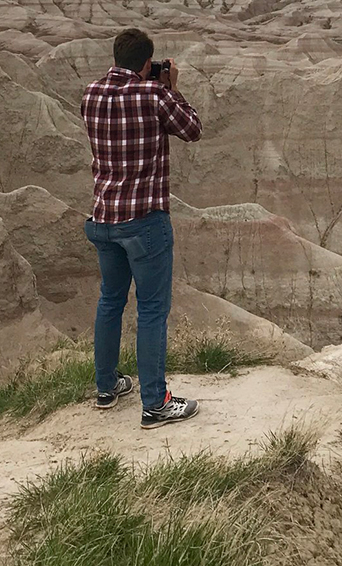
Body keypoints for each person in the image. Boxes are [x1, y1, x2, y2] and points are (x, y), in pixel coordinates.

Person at [81, 28, 203, 428]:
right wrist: (172, 88)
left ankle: (106, 387)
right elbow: (192, 129)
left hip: (103, 219)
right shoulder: (153, 95)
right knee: (151, 310)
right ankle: (155, 404)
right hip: (144, 222)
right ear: (148, 63)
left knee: (110, 301)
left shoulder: (91, 93)